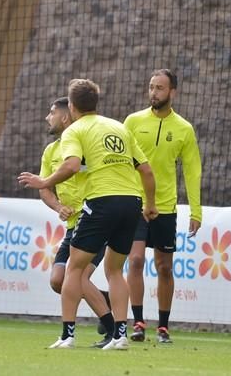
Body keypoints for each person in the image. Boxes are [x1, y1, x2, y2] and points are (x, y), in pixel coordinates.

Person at [18, 79, 157, 350]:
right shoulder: (119, 127)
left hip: (101, 201)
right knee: (115, 271)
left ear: (71, 106)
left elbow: (71, 165)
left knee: (75, 268)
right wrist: (150, 204)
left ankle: (67, 336)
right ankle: (120, 337)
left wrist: (44, 182)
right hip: (131, 202)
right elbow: (147, 170)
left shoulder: (75, 130)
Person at [124, 69, 202, 343]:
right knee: (134, 261)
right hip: (135, 204)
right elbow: (122, 161)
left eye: (159, 88)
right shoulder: (132, 122)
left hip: (166, 207)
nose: (153, 92)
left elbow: (192, 171)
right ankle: (138, 323)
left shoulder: (184, 128)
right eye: (151, 87)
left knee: (164, 267)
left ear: (173, 92)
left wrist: (196, 210)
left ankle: (164, 327)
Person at [39, 97, 112, 337]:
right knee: (57, 281)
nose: (47, 118)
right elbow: (44, 189)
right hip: (73, 226)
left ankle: (112, 329)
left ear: (64, 117)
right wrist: (58, 206)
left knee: (78, 276)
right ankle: (104, 299)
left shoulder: (86, 142)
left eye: (51, 113)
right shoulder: (51, 151)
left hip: (93, 219)